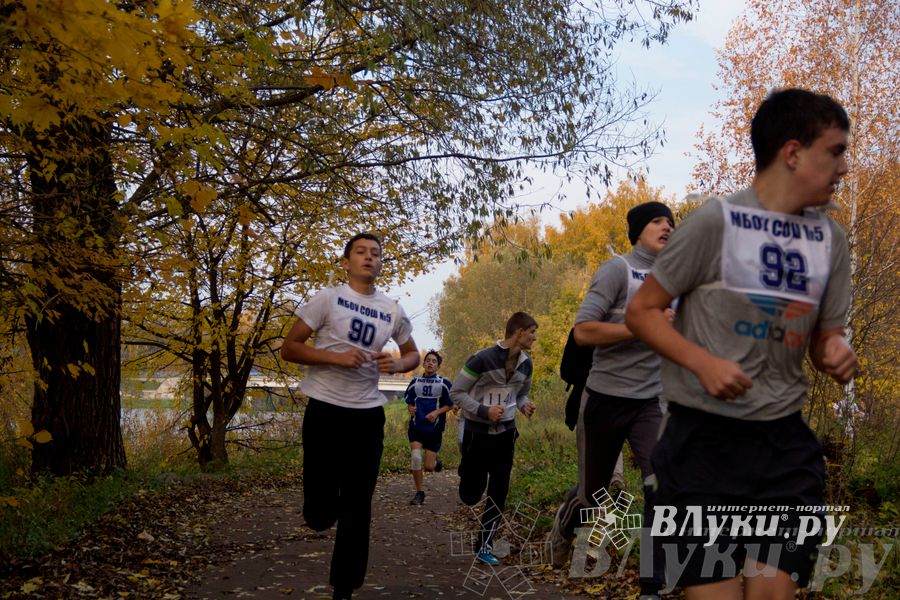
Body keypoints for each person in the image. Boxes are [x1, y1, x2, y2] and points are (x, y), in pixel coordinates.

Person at [626, 88, 858, 600]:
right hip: (703, 443)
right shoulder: (717, 222)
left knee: (773, 593)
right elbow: (642, 312)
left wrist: (834, 352)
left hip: (783, 445)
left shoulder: (830, 241)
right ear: (793, 152)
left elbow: (825, 340)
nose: (845, 166)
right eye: (836, 151)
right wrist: (702, 362)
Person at [280, 232, 420, 600]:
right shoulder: (328, 299)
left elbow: (412, 355)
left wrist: (398, 364)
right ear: (346, 262)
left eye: (375, 253)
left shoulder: (391, 308)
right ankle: (322, 510)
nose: (369, 257)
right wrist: (335, 357)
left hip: (366, 415)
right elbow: (290, 348)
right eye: (361, 252)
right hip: (325, 410)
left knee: (359, 504)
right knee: (321, 515)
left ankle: (344, 588)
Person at [548, 201, 675, 597]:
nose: (667, 226)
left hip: (651, 401)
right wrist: (639, 329)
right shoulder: (618, 269)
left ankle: (652, 586)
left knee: (662, 486)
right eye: (657, 220)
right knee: (594, 498)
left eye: (672, 222)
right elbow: (584, 332)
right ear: (638, 229)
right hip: (604, 398)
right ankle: (569, 524)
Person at [452, 311, 538, 565]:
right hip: (476, 435)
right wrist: (483, 411)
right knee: (471, 494)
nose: (534, 338)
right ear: (519, 332)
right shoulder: (482, 359)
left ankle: (484, 545)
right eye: (532, 332)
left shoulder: (526, 364)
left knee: (499, 491)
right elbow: (457, 392)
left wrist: (525, 406)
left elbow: (520, 394)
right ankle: (467, 475)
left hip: (505, 435)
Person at [405, 350, 453, 505]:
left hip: (434, 429)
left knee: (429, 467)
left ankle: (435, 462)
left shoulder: (444, 383)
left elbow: (451, 404)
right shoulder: (415, 382)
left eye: (434, 361)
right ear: (424, 363)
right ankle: (419, 493)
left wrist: (437, 412)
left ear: (438, 366)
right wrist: (410, 408)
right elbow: (409, 401)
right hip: (416, 426)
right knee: (416, 458)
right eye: (428, 360)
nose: (430, 363)